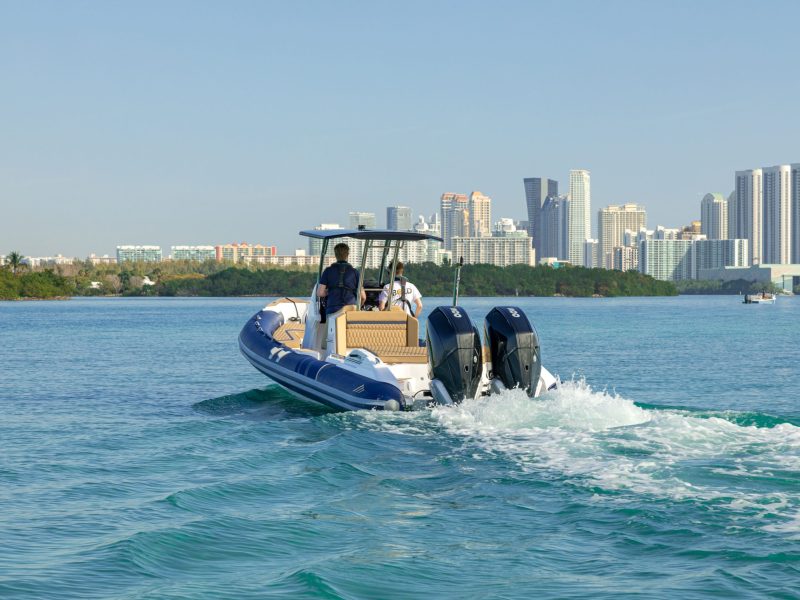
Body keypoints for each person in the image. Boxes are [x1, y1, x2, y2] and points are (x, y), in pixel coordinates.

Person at [317, 242, 365, 318]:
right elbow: (363, 297)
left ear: (335, 255)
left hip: (333, 308)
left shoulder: (328, 271)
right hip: (350, 308)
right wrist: (359, 306)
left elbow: (320, 293)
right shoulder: (355, 272)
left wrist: (328, 292)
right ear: (347, 255)